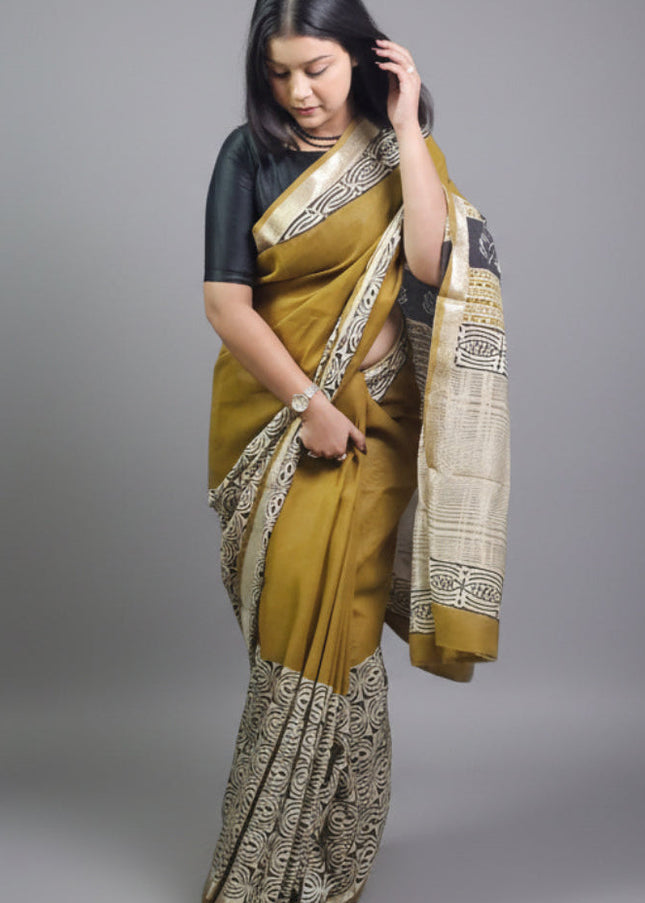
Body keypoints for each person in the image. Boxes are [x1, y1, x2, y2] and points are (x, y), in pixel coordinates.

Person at [200, 1, 510, 900]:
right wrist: (306, 406)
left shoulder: (394, 147)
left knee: (337, 617)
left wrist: (406, 126)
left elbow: (425, 262)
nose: (298, 92)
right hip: (271, 421)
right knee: (290, 621)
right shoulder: (244, 155)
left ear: (363, 59)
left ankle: (321, 856)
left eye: (317, 69)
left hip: (375, 429)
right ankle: (289, 853)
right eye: (280, 74)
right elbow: (227, 306)